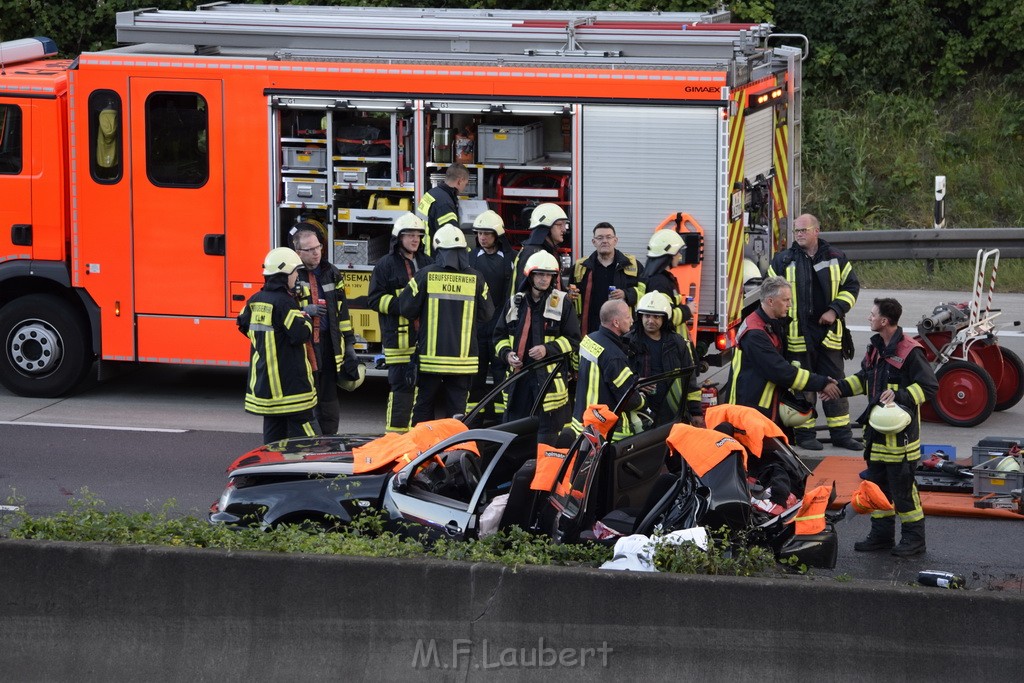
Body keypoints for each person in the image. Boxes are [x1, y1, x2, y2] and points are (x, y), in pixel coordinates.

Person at [822, 297, 938, 557]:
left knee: (904, 492)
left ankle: (914, 539)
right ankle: (882, 536)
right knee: (877, 489)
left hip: (901, 441)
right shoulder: (876, 348)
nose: (869, 318)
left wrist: (901, 396)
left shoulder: (910, 351)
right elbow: (866, 379)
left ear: (884, 321)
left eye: (872, 314)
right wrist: (837, 388)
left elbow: (930, 387)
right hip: (876, 438)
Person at [769, 213, 862, 451]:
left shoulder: (836, 257)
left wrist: (834, 310)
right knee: (803, 386)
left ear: (816, 231)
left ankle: (841, 434)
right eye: (796, 231)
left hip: (829, 334)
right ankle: (805, 435)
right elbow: (769, 294)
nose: (799, 234)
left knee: (835, 384)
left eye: (803, 230)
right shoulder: (782, 261)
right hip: (797, 336)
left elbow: (851, 287)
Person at [399, 224, 494, 424]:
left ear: (438, 249)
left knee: (424, 406)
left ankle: (423, 451)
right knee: (457, 414)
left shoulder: (425, 274)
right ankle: (453, 452)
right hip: (463, 362)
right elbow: (487, 314)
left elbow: (406, 308)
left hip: (430, 360)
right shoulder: (476, 278)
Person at [493, 251, 581, 444]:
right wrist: (507, 354)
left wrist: (547, 349)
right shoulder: (515, 303)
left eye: (548, 275)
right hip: (519, 379)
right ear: (530, 276)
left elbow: (574, 340)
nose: (544, 279)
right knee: (515, 436)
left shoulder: (562, 303)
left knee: (547, 439)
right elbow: (499, 337)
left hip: (548, 383)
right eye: (540, 274)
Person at [724, 276, 834, 425]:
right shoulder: (755, 333)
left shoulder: (770, 324)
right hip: (751, 410)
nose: (790, 305)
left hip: (760, 406)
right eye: (785, 300)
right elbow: (779, 371)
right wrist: (822, 383)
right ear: (770, 301)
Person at [237, 247, 319, 444]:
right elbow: (300, 334)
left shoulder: (255, 300)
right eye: (295, 272)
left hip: (265, 389)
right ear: (284, 275)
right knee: (311, 439)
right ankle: (313, 473)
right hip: (291, 387)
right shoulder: (285, 303)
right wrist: (306, 315)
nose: (297, 276)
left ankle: (272, 472)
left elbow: (242, 323)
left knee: (274, 440)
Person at [291, 223, 361, 435]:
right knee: (308, 401)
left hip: (329, 346)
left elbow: (343, 312)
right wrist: (305, 310)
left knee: (329, 401)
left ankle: (329, 442)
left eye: (318, 247)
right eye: (310, 249)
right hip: (305, 349)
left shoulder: (331, 272)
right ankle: (311, 445)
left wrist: (349, 345)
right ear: (298, 252)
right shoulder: (291, 274)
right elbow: (282, 310)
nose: (316, 252)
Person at [367, 213, 432, 433]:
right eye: (410, 235)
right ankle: (395, 439)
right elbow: (375, 299)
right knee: (402, 392)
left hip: (423, 341)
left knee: (424, 393)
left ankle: (418, 442)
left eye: (418, 235)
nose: (415, 239)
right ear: (399, 238)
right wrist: (402, 305)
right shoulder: (385, 265)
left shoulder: (427, 262)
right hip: (399, 341)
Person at [624, 291, 703, 428]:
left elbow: (689, 379)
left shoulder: (677, 342)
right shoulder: (628, 342)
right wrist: (636, 381)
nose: (650, 321)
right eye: (647, 316)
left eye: (656, 317)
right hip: (641, 411)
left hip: (673, 411)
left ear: (664, 319)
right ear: (640, 316)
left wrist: (696, 412)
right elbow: (620, 376)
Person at [571, 299, 646, 441]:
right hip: (605, 432)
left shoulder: (588, 339)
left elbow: (576, 366)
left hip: (580, 423)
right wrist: (643, 400)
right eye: (628, 317)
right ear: (616, 322)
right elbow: (629, 399)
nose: (631, 320)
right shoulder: (614, 356)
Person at [467, 210, 515, 419]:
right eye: (479, 233)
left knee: (499, 375)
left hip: (499, 327)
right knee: (474, 376)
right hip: (475, 328)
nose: (482, 238)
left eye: (487, 233)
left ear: (497, 234)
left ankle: (499, 420)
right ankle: (473, 420)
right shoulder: (470, 258)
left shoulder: (510, 259)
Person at [569, 221, 642, 336]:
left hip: (622, 330)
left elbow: (645, 292)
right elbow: (570, 295)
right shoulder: (581, 267)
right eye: (600, 238)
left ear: (615, 240)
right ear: (594, 242)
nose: (604, 241)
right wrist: (570, 295)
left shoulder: (632, 265)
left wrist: (626, 294)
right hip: (590, 328)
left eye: (609, 237)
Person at [641, 229, 693, 332]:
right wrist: (688, 310)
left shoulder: (657, 278)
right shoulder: (659, 283)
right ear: (669, 254)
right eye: (678, 252)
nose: (680, 256)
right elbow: (666, 318)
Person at [512, 202, 569, 291]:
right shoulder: (532, 254)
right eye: (559, 225)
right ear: (545, 228)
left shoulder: (548, 251)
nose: (564, 230)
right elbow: (525, 292)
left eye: (564, 225)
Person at [416, 162, 469, 252]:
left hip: (422, 252)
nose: (465, 188)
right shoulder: (445, 204)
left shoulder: (431, 193)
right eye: (466, 184)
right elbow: (451, 238)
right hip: (434, 257)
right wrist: (468, 253)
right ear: (460, 181)